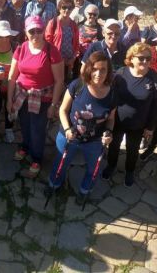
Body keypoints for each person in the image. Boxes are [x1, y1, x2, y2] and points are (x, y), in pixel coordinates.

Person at [45, 51, 116, 204]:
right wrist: (67, 130)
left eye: (103, 69)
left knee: (93, 169)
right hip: (69, 136)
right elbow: (63, 110)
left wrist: (109, 132)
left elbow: (110, 119)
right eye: (95, 68)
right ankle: (54, 184)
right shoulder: (78, 85)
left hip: (95, 141)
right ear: (89, 68)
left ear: (108, 71)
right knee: (60, 164)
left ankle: (85, 190)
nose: (98, 73)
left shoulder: (112, 94)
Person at [7, 16, 64, 178]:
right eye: (32, 31)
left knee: (37, 129)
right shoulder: (22, 48)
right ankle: (25, 147)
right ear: (26, 32)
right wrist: (9, 99)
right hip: (23, 95)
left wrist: (53, 106)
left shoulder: (52, 51)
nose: (36, 34)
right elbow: (12, 76)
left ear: (44, 30)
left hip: (42, 98)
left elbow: (59, 80)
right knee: (24, 124)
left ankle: (37, 158)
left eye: (39, 30)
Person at [103, 42, 157, 186]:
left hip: (138, 124)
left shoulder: (154, 78)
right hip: (117, 120)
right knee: (114, 146)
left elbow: (156, 104)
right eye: (141, 58)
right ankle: (111, 165)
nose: (145, 61)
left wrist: (150, 127)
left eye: (148, 58)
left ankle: (129, 171)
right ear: (132, 58)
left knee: (133, 149)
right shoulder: (121, 74)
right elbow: (111, 96)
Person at [45, 0, 80, 82]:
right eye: (64, 7)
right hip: (56, 61)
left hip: (69, 62)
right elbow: (47, 43)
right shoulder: (53, 23)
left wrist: (73, 58)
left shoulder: (73, 24)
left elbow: (76, 44)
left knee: (66, 83)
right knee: (56, 82)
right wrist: (58, 58)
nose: (67, 10)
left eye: (70, 8)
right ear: (59, 8)